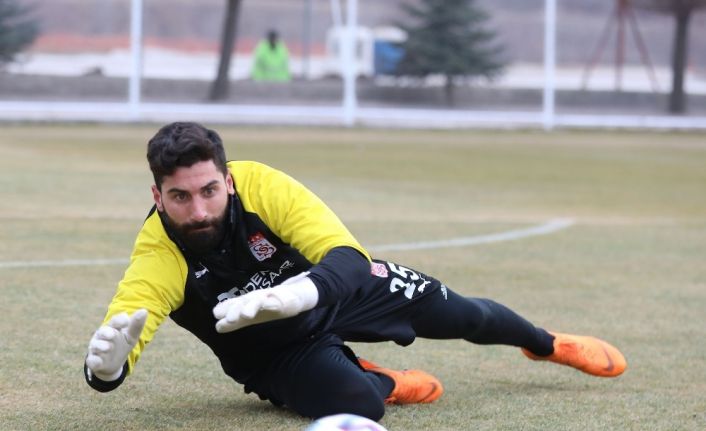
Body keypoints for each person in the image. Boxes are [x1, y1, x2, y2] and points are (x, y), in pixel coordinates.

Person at [84, 122, 627, 422]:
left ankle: (546, 344)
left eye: (208, 190)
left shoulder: (263, 186)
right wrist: (106, 371)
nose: (199, 210)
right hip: (275, 352)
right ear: (157, 195)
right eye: (180, 197)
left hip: (339, 292)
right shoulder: (159, 252)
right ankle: (377, 378)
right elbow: (124, 332)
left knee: (465, 314)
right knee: (360, 405)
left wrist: (299, 294)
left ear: (227, 180)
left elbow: (347, 256)